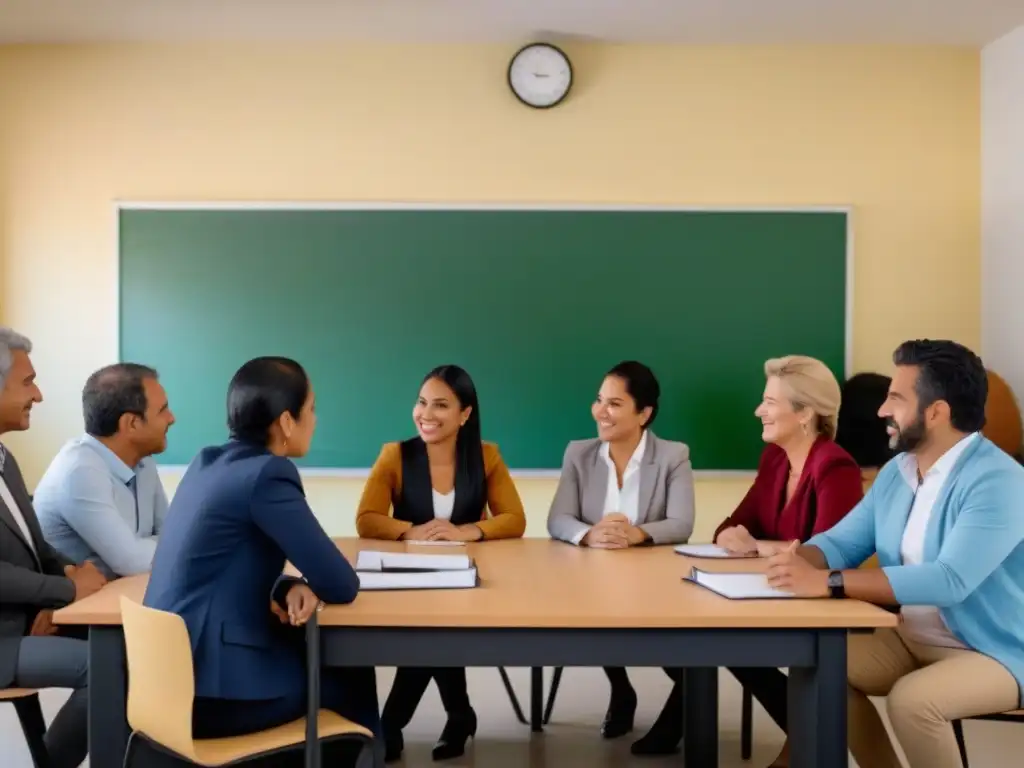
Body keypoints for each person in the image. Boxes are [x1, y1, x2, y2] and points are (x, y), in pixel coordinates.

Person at [764, 340, 1024, 768]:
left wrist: (828, 582)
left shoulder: (997, 480)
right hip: (912, 636)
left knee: (912, 701)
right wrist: (800, 560)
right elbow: (842, 542)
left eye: (896, 398)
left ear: (936, 412)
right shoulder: (899, 471)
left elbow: (949, 580)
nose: (882, 409)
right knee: (817, 660)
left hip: (995, 650)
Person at [144, 357, 379, 765]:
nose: (315, 420)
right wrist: (308, 580)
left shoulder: (208, 462)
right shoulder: (268, 475)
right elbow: (341, 583)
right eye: (312, 409)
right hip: (212, 696)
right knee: (351, 673)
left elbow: (222, 562)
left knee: (322, 657)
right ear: (287, 422)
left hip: (166, 682)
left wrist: (288, 584)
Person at [356, 364, 526, 762]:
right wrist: (410, 530)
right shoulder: (395, 455)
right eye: (421, 402)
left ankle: (394, 724)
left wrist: (470, 530)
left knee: (435, 629)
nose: (426, 414)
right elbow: (366, 518)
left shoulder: (486, 456)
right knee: (431, 630)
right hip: (409, 582)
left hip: (469, 580)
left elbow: (514, 519)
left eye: (441, 405)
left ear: (465, 414)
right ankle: (457, 714)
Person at [709, 355, 863, 767]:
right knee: (725, 640)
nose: (759, 410)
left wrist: (759, 547)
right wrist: (734, 536)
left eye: (770, 402)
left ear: (806, 413)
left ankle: (806, 740)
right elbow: (730, 526)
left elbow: (826, 552)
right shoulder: (775, 460)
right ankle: (803, 735)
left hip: (827, 604)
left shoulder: (835, 467)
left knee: (735, 643)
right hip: (781, 592)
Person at [546, 360, 695, 756]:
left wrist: (637, 534)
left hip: (654, 580)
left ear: (644, 414)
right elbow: (558, 518)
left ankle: (682, 703)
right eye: (598, 400)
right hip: (591, 577)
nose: (600, 411)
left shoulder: (672, 455)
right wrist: (589, 534)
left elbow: (681, 523)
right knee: (593, 607)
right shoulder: (579, 453)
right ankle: (621, 688)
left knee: (684, 649)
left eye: (614, 403)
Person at [0, 327, 108, 768]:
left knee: (128, 646)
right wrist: (67, 592)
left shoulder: (5, 461)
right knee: (107, 669)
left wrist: (72, 577)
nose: (39, 395)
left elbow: (38, 549)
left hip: (20, 621)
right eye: (27, 383)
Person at [34, 363, 174, 578]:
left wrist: (133, 550)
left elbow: (173, 536)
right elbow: (132, 562)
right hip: (72, 608)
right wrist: (134, 553)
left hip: (121, 593)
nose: (171, 418)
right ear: (132, 424)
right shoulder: (79, 471)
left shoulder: (144, 463)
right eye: (163, 410)